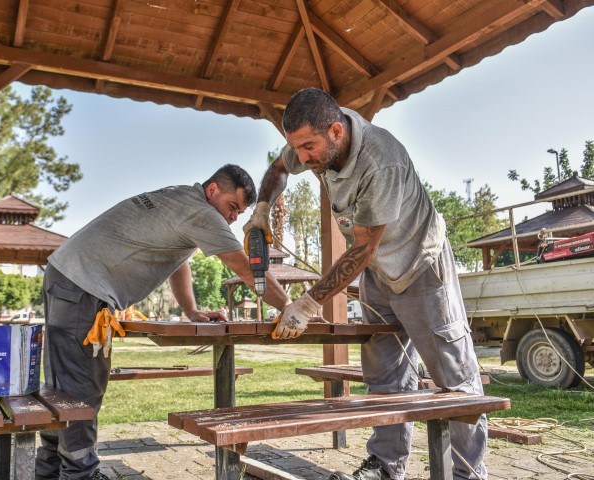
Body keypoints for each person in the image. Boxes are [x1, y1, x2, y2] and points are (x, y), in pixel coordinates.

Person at [245, 88, 486, 480]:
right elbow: (279, 169)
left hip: (420, 264)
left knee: (454, 378)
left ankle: (469, 474)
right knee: (384, 374)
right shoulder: (313, 143)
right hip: (377, 271)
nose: (303, 157)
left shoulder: (380, 161)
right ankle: (387, 467)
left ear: (336, 131)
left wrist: (306, 305)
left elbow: (361, 250)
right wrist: (261, 211)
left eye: (308, 147)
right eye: (297, 147)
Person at [36, 164, 291, 480]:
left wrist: (192, 311)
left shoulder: (180, 199)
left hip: (71, 279)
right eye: (233, 207)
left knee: (64, 386)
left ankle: (48, 470)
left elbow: (178, 261)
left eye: (240, 212)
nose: (234, 217)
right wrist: (291, 307)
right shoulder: (201, 212)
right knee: (79, 387)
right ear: (213, 190)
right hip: (81, 286)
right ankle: (79, 475)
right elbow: (247, 270)